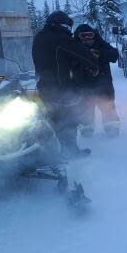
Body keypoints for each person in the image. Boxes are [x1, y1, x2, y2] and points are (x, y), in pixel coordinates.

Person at [32, 11, 99, 158]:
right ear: (61, 24)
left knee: (50, 119)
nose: (69, 29)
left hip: (43, 86)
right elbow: (81, 53)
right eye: (68, 26)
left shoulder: (39, 37)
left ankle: (52, 151)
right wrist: (93, 66)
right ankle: (70, 152)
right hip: (61, 88)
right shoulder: (61, 38)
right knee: (68, 120)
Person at [72, 24, 120, 138]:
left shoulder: (101, 44)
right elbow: (69, 62)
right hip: (83, 87)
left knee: (108, 108)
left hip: (103, 86)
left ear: (95, 35)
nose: (87, 39)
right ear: (78, 37)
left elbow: (114, 55)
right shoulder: (74, 47)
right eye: (84, 36)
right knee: (85, 111)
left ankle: (112, 128)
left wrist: (100, 54)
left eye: (90, 35)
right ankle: (86, 130)